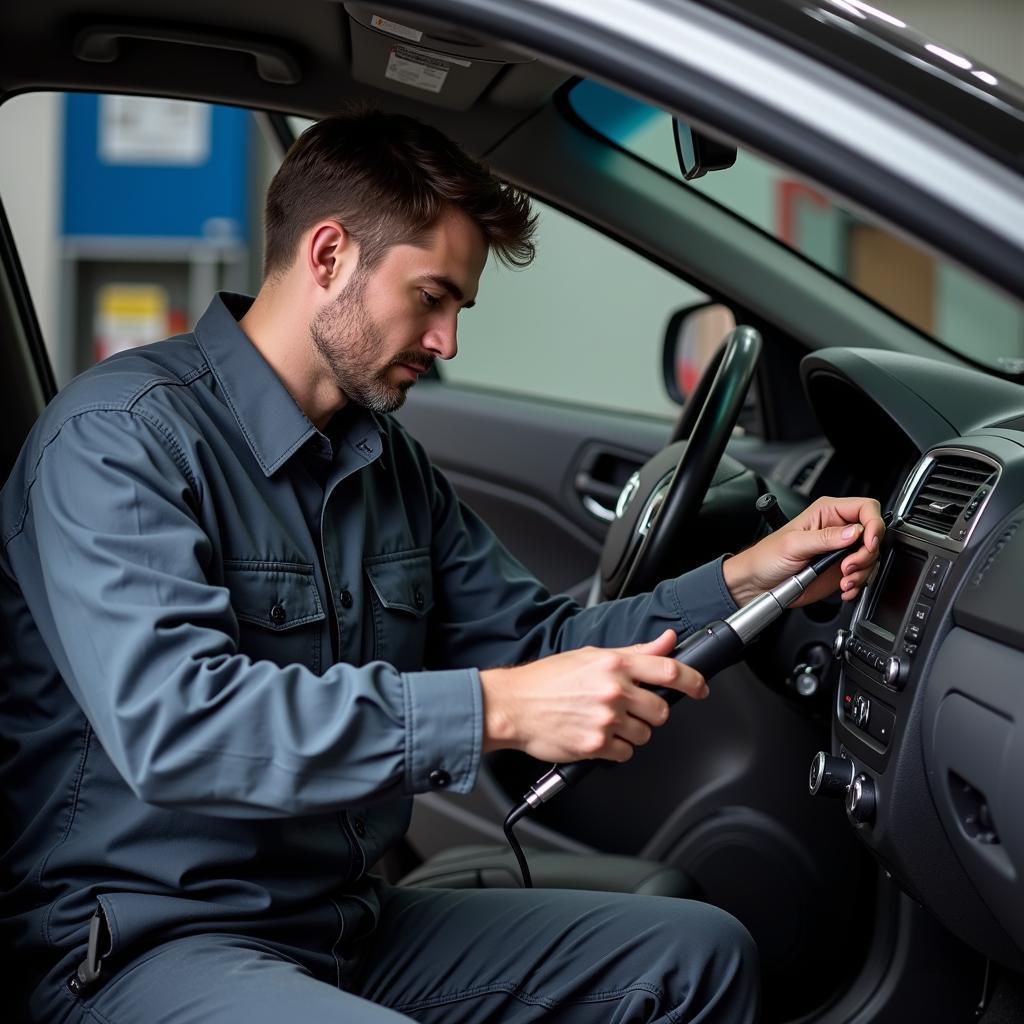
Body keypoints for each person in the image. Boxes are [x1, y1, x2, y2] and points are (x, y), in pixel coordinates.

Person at [0, 108, 884, 1023]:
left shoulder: (388, 465)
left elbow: (542, 644)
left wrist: (753, 577)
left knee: (694, 955)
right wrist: (498, 709)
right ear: (330, 255)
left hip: (337, 926)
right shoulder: (120, 440)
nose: (448, 341)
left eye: (459, 308)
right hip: (144, 947)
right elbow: (179, 726)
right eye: (431, 297)